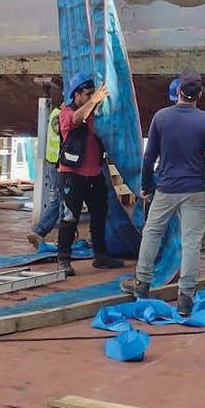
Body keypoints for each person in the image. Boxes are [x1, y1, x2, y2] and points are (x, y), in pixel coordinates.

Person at [124, 70, 205, 315]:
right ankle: (185, 300)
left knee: (151, 234)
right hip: (195, 191)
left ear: (178, 91)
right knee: (191, 243)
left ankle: (142, 286)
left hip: (166, 188)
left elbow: (149, 157)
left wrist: (146, 186)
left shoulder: (161, 118)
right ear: (199, 95)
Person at [55, 77, 125, 274]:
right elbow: (77, 120)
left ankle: (100, 255)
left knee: (100, 215)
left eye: (92, 94)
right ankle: (63, 259)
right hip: (72, 175)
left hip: (94, 174)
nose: (91, 97)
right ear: (76, 95)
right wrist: (94, 101)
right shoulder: (66, 113)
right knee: (70, 217)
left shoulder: (95, 113)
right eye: (87, 94)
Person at [27, 94, 65, 248]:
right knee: (64, 201)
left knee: (58, 199)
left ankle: (39, 231)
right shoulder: (60, 116)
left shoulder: (55, 113)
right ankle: (64, 237)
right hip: (59, 165)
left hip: (54, 163)